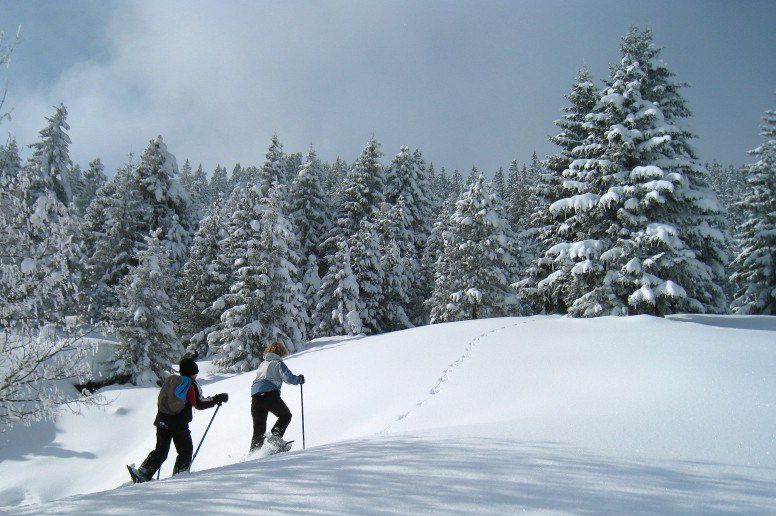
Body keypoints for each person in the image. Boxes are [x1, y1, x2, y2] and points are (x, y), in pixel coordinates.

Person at [133, 357, 228, 482]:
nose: (196, 375)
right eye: (196, 372)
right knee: (185, 451)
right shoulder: (190, 385)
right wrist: (216, 399)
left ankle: (143, 473)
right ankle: (180, 477)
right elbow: (198, 404)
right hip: (179, 424)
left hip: (161, 420)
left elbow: (162, 400)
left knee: (161, 451)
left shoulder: (171, 380)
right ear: (192, 372)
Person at [250, 342, 304, 452]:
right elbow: (288, 378)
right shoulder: (278, 363)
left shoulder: (263, 364)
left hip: (255, 397)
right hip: (269, 394)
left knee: (259, 430)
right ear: (281, 352)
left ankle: (253, 455)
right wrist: (299, 379)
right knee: (285, 415)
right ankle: (275, 437)